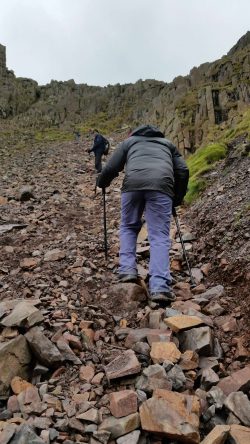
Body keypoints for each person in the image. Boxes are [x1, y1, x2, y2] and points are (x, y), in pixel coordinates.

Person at [97, 124, 189, 303]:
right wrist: (177, 198)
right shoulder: (167, 144)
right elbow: (183, 170)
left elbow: (111, 167)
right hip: (162, 188)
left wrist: (102, 182)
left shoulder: (129, 142)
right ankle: (160, 286)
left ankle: (127, 270)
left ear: (136, 133)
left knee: (128, 227)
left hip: (132, 186)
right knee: (159, 236)